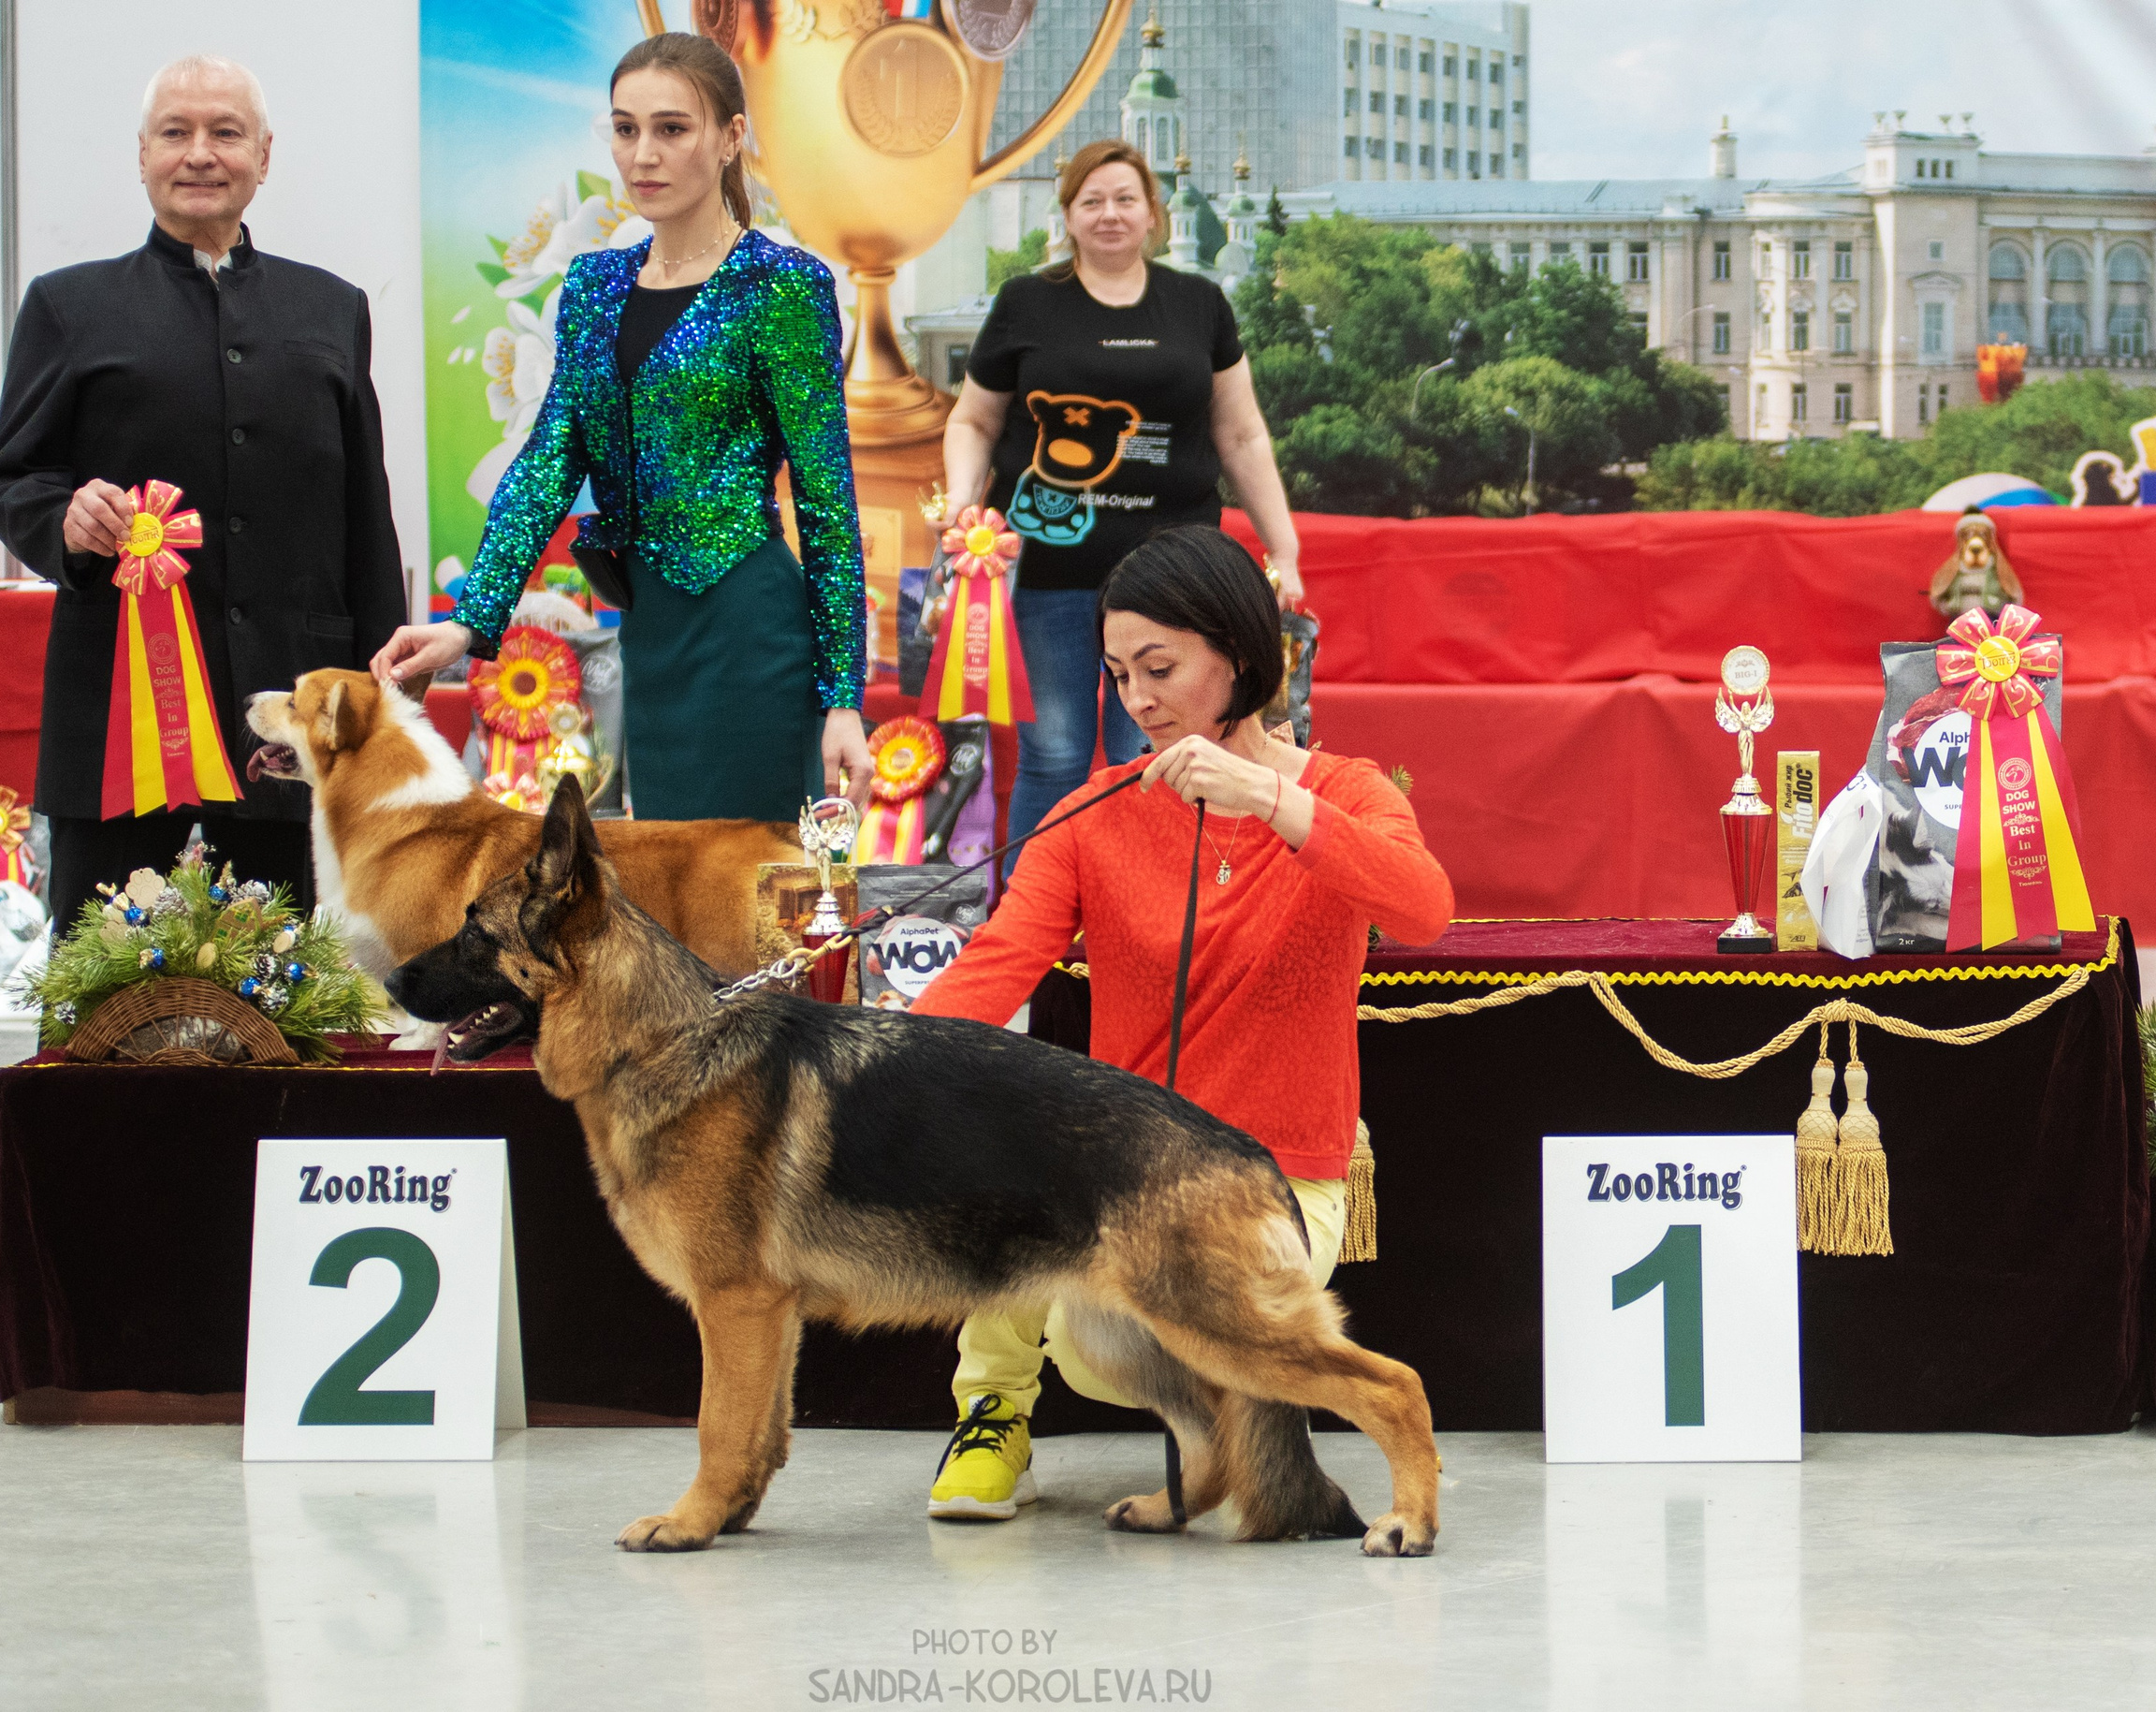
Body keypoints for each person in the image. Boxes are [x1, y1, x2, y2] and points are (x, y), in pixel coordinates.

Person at [909, 525, 1452, 1520]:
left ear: (1239, 653)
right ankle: (991, 1412)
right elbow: (996, 965)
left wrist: (1269, 796)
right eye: (1118, 674)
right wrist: (883, 1068)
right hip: (1124, 1175)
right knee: (1014, 1173)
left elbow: (1422, 907)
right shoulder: (1091, 812)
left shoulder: (1347, 792)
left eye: (1159, 667)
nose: (1137, 699)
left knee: (1194, 1316)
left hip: (1280, 1176)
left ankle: (1214, 1450)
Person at [368, 34, 873, 817]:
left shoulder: (782, 286)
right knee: (665, 890)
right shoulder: (594, 282)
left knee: (745, 898)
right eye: (625, 128)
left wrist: (843, 695)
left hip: (749, 627)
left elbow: (827, 501)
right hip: (649, 626)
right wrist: (470, 620)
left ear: (731, 138)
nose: (644, 153)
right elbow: (550, 459)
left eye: (673, 128)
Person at [0, 56, 404, 931]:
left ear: (264, 155)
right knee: (108, 1020)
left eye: (225, 132)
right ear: (142, 156)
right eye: (176, 133)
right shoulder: (68, 306)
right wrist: (66, 520)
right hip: (119, 734)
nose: (200, 154)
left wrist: (379, 697)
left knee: (292, 1016)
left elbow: (366, 515)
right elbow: (8, 480)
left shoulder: (333, 309)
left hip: (290, 727)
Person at [940, 141, 1304, 874]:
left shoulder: (1200, 304)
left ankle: (1153, 906)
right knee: (1055, 752)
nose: (1109, 214)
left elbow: (1241, 432)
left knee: (1158, 748)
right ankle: (1037, 933)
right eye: (1091, 201)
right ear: (1068, 216)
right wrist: (959, 509)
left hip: (1176, 584)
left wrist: (1284, 548)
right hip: (1051, 572)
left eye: (1125, 199)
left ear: (1153, 214)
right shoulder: (1025, 303)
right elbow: (973, 421)